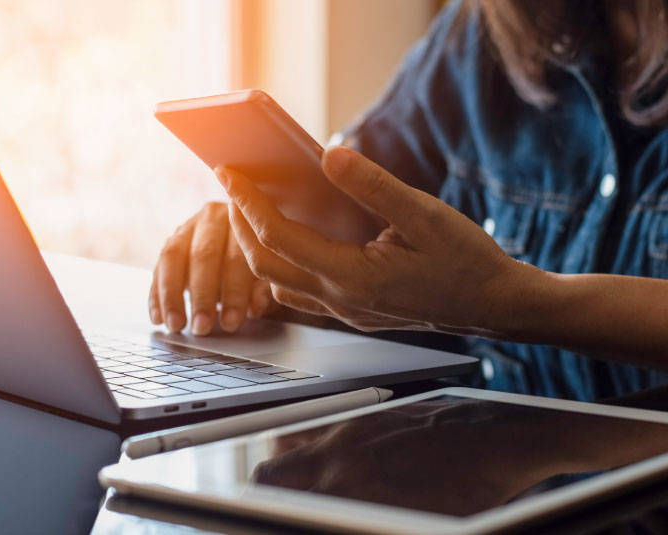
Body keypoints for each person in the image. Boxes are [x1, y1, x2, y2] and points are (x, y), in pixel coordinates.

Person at [148, 0, 668, 402]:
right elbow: (355, 202)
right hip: (499, 479)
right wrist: (269, 236)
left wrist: (505, 303)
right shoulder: (475, 38)